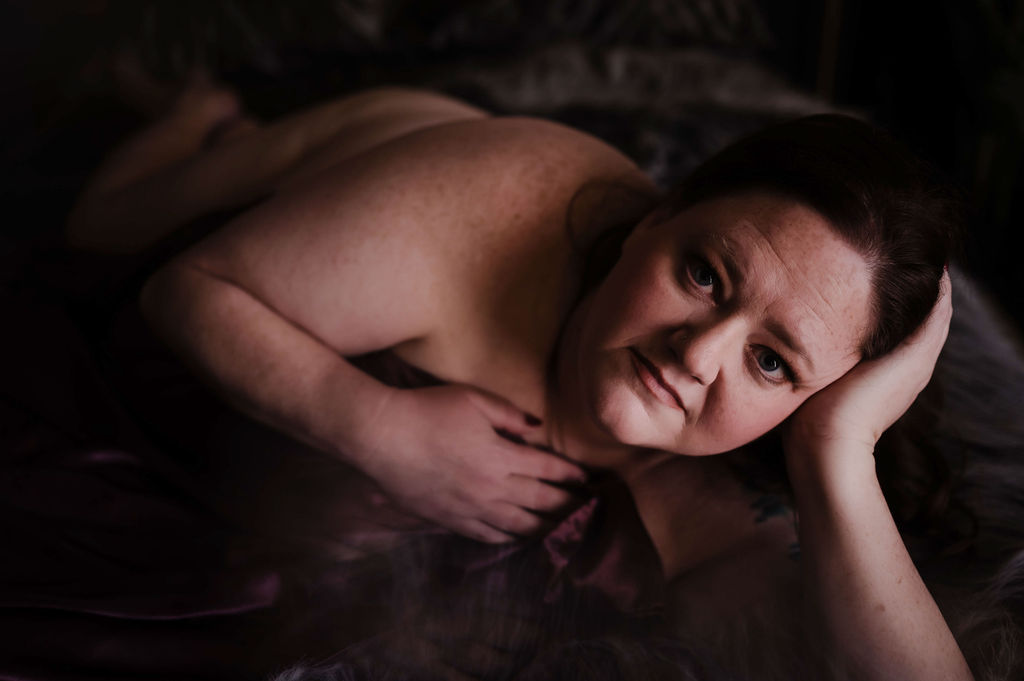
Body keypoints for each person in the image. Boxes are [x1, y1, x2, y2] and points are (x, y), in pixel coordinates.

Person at [64, 77, 969, 680]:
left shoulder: (739, 494)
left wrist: (838, 450)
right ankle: (207, 114)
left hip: (391, 209)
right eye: (704, 273)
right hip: (387, 152)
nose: (698, 356)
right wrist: (377, 423)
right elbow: (184, 289)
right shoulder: (483, 208)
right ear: (660, 215)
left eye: (771, 362)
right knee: (98, 228)